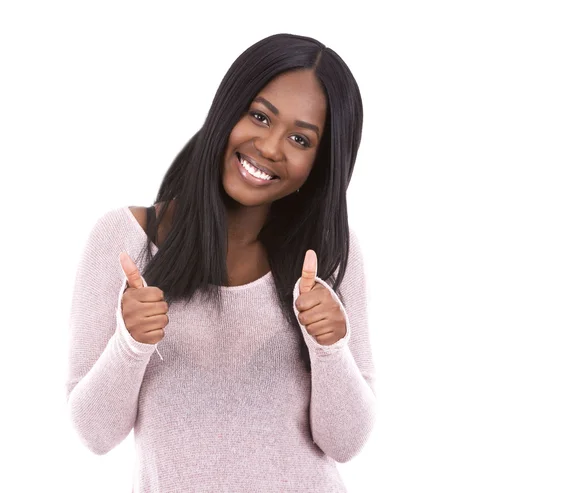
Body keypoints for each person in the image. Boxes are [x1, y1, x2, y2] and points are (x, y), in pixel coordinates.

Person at [65, 33, 377, 492]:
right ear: (226, 109)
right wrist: (130, 344)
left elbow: (345, 443)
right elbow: (94, 434)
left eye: (299, 138)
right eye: (258, 116)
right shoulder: (124, 240)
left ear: (321, 161)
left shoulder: (328, 252)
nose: (270, 147)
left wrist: (330, 347)